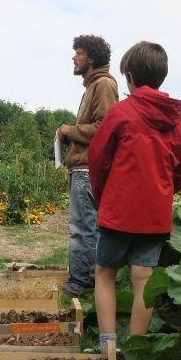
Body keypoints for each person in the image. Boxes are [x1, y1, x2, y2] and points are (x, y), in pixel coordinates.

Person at [88, 42, 181, 354]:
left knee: (105, 274)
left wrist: (104, 196)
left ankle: (108, 347)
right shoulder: (176, 122)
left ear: (130, 77)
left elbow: (98, 159)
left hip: (119, 211)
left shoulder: (122, 113)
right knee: (143, 280)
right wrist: (162, 192)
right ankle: (135, 351)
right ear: (161, 77)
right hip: (154, 217)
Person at [56, 34, 118, 297]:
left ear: (91, 58)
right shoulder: (92, 86)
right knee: (85, 226)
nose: (74, 57)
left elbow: (105, 127)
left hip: (87, 169)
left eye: (78, 52)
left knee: (83, 228)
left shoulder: (102, 84)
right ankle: (89, 279)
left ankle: (81, 282)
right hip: (83, 168)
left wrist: (71, 130)